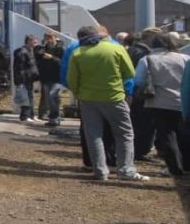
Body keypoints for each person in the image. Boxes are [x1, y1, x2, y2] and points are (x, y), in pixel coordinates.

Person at [67, 25, 147, 181]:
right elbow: (130, 73)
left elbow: (72, 80)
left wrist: (79, 94)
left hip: (87, 99)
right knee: (124, 134)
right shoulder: (116, 49)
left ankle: (100, 171)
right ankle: (126, 170)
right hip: (114, 97)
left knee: (94, 135)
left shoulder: (77, 53)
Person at [132, 33, 188, 177]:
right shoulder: (185, 58)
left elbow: (138, 81)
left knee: (167, 134)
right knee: (183, 134)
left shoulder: (148, 59)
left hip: (159, 102)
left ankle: (174, 167)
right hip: (183, 101)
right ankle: (186, 164)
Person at [127, 27, 160, 160]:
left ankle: (136, 150)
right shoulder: (143, 53)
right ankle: (140, 151)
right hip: (142, 93)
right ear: (149, 38)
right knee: (145, 124)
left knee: (136, 123)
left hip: (133, 92)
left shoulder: (132, 50)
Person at [35, 32, 65, 126]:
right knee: (49, 98)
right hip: (46, 77)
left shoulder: (60, 49)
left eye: (51, 38)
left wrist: (52, 57)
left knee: (53, 95)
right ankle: (53, 117)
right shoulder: (43, 49)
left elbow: (62, 62)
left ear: (55, 38)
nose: (49, 40)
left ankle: (55, 116)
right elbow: (37, 61)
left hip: (57, 77)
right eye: (47, 39)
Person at [13, 35, 39, 121]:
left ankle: (31, 115)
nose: (36, 43)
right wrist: (20, 80)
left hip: (29, 78)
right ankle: (25, 116)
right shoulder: (23, 52)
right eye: (34, 41)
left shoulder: (30, 51)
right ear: (29, 41)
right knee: (26, 97)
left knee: (30, 96)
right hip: (24, 78)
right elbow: (19, 68)